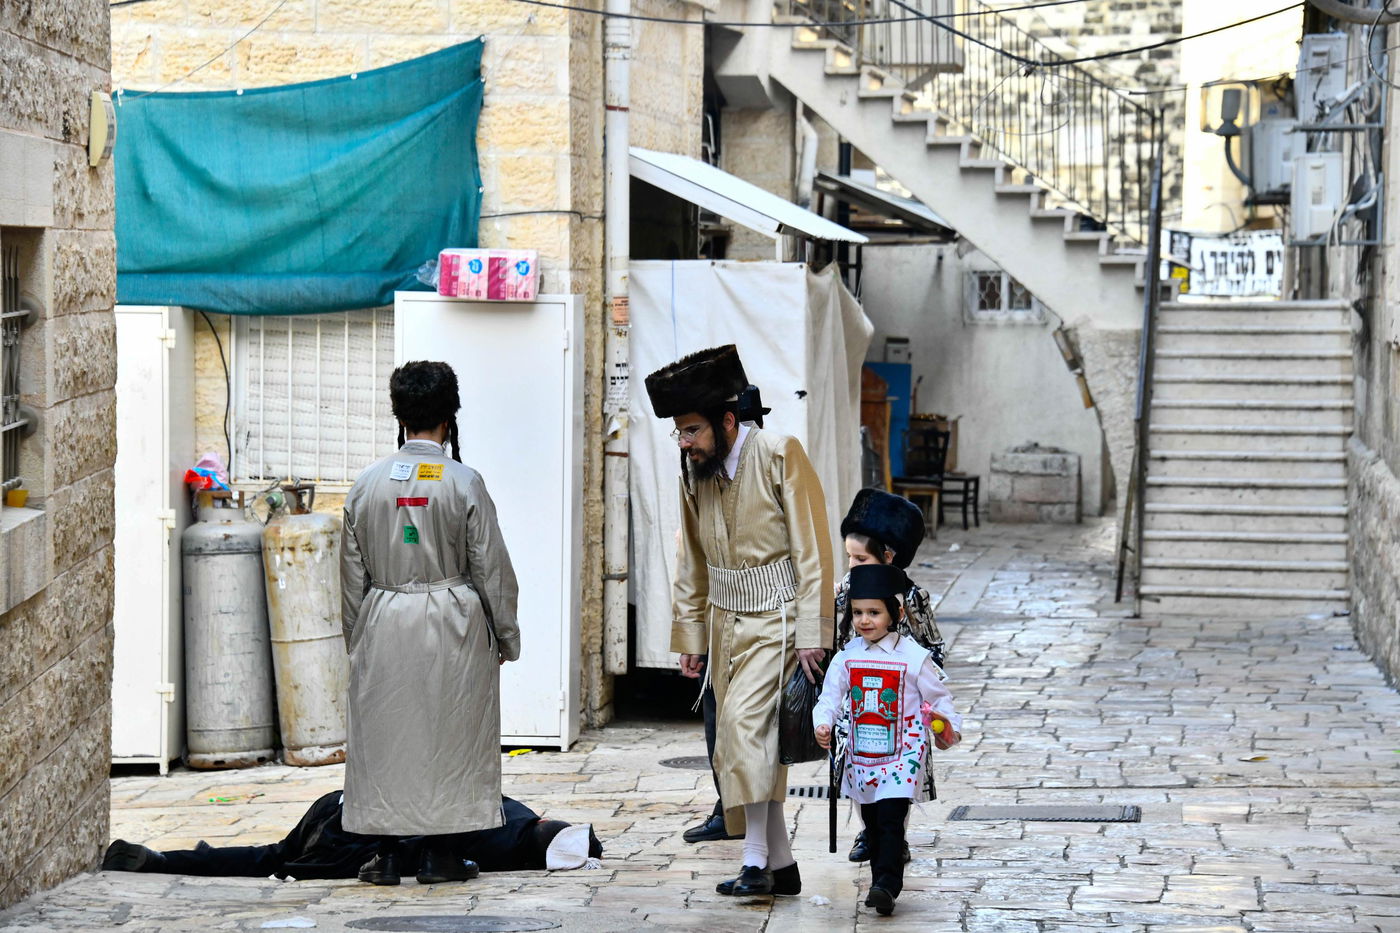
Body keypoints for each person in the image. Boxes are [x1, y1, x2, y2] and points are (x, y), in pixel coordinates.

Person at [645, 344, 834, 898]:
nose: (685, 442)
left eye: (693, 430)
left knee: (746, 731)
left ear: (728, 421)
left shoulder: (780, 453)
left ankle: (753, 862)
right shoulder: (694, 471)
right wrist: (691, 637)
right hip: (726, 623)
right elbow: (692, 561)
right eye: (678, 432)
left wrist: (812, 632)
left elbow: (813, 548)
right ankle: (781, 865)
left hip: (776, 618)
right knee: (741, 745)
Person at [340, 360, 520, 886]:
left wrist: (359, 636)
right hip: (453, 621)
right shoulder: (464, 482)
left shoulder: (366, 484)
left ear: (398, 413)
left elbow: (350, 578)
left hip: (383, 616)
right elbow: (492, 567)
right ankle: (443, 856)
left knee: (386, 737)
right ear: (450, 416)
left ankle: (387, 855)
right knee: (452, 734)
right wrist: (505, 635)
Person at [814, 562, 962, 917]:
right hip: (862, 757)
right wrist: (823, 723)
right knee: (872, 823)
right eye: (858, 613)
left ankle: (885, 885)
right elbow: (830, 698)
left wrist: (945, 723)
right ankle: (881, 877)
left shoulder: (914, 657)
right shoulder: (847, 658)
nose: (865, 620)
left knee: (892, 819)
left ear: (895, 613)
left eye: (874, 612)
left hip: (903, 757)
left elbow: (940, 698)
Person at [102, 794, 603, 880]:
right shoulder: (500, 846)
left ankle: (161, 859)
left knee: (272, 854)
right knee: (271, 860)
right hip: (353, 836)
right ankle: (162, 862)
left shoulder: (503, 805)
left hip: (342, 800)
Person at [834, 488, 947, 862]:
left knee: (899, 775)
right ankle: (868, 832)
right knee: (860, 767)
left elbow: (934, 646)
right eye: (849, 557)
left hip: (903, 709)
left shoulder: (911, 598)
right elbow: (835, 640)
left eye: (860, 557)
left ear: (888, 556)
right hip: (857, 705)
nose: (852, 565)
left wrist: (920, 680)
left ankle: (894, 836)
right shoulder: (845, 593)